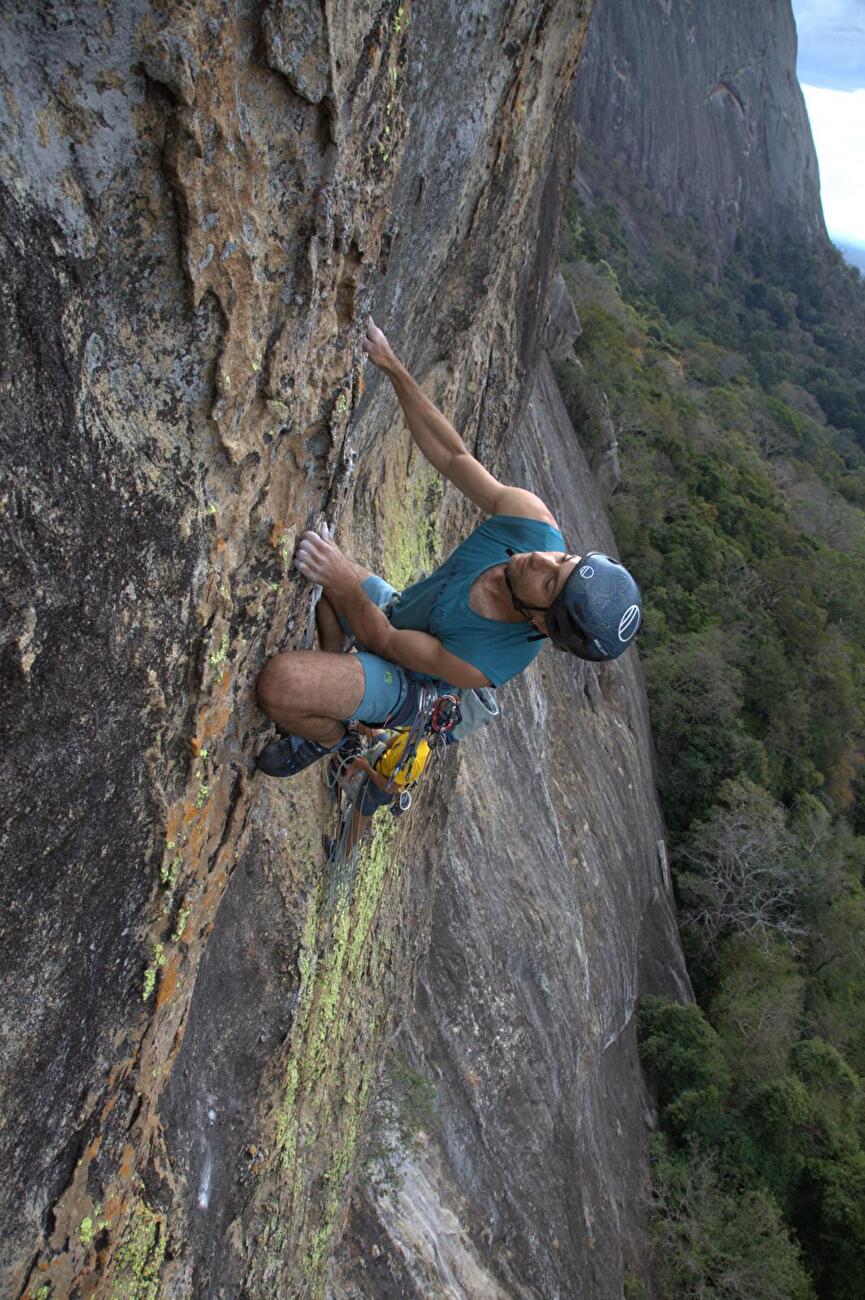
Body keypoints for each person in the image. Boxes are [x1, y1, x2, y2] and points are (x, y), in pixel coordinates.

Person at [256, 317, 642, 777]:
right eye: (564, 558)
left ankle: (333, 739)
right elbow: (453, 456)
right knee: (320, 563)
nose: (542, 558)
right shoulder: (535, 524)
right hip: (398, 612)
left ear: (541, 620)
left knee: (281, 682)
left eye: (550, 579)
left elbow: (385, 641)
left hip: (406, 680)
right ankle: (334, 670)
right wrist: (393, 366)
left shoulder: (490, 660)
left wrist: (340, 577)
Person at [326, 726, 431, 861]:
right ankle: (347, 735)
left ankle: (339, 855)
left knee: (356, 826)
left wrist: (366, 767)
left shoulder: (414, 760)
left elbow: (389, 788)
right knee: (372, 727)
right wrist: (369, 755)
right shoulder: (418, 726)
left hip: (379, 789)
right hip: (383, 761)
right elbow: (391, 742)